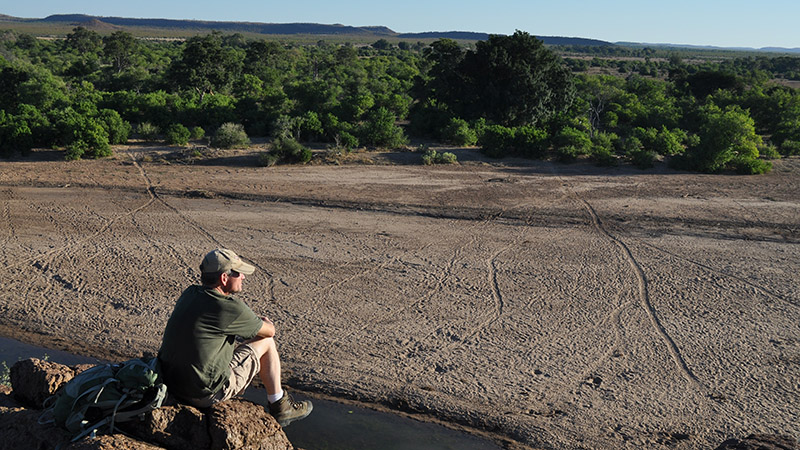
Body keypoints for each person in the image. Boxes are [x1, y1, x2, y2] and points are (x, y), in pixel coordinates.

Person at [158, 248, 312, 427]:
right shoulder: (229, 307)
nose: (243, 277)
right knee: (267, 343)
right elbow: (269, 332)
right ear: (224, 278)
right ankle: (280, 406)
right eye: (238, 273)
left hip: (171, 384)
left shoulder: (189, 294)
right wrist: (264, 322)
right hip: (203, 394)